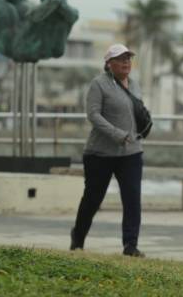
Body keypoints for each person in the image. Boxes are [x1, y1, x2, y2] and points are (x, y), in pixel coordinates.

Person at [70, 43, 146, 257]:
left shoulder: (134, 84)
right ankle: (78, 238)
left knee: (132, 200)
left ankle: (130, 245)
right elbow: (93, 115)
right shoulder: (99, 84)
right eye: (121, 59)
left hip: (131, 153)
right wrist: (116, 134)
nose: (126, 62)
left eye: (128, 58)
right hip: (99, 154)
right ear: (109, 63)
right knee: (92, 199)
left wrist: (143, 127)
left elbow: (136, 112)